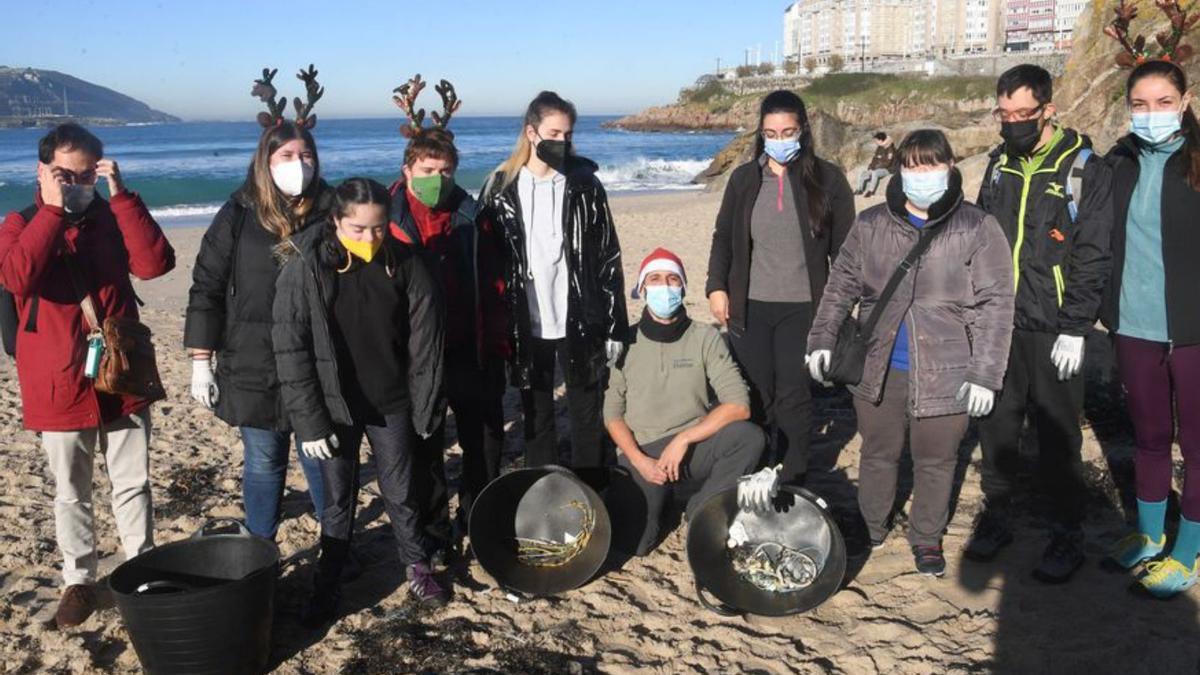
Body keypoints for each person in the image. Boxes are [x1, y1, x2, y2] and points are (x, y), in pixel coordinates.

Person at [807, 130, 1014, 577]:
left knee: (936, 461)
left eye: (933, 165)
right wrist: (821, 340)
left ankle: (926, 538)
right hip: (878, 367)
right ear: (899, 170)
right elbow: (840, 287)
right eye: (913, 166)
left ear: (951, 167)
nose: (923, 175)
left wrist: (986, 374)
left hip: (949, 370)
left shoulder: (978, 226)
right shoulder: (872, 224)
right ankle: (871, 527)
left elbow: (997, 304)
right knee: (878, 453)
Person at [0, 123, 175, 628]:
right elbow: (16, 277)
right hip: (56, 378)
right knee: (71, 490)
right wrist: (53, 210)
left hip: (122, 374)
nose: (76, 183)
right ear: (42, 171)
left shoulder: (112, 216)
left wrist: (121, 197)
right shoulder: (22, 221)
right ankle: (78, 580)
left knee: (132, 483)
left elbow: (155, 263)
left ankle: (140, 568)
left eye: (86, 175)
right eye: (64, 174)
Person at [272, 178, 447, 625]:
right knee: (337, 500)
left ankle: (418, 567)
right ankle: (327, 582)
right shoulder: (308, 267)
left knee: (402, 491)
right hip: (335, 408)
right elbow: (291, 348)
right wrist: (310, 424)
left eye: (378, 228)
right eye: (357, 229)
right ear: (335, 221)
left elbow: (427, 342)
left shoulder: (405, 263)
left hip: (392, 403)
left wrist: (425, 402)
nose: (369, 238)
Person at [966, 64, 1114, 583]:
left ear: (1049, 109)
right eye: (1003, 114)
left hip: (1055, 329)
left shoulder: (1083, 168)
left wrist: (1075, 327)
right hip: (1000, 324)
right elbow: (981, 237)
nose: (1012, 124)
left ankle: (1066, 533)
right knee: (998, 429)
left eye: (1023, 114)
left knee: (1057, 437)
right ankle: (998, 518)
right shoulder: (998, 164)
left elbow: (1094, 254)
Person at [184, 66, 331, 540]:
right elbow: (206, 285)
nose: (298, 163)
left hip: (316, 360)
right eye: (287, 154)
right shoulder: (237, 213)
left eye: (305, 154)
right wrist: (201, 362)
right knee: (264, 460)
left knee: (320, 458)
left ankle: (336, 536)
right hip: (251, 358)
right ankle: (260, 544)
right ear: (265, 160)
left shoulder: (333, 211)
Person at [705, 90, 856, 488]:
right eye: (771, 131)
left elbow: (845, 252)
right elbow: (723, 238)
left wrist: (836, 309)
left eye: (788, 130)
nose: (779, 138)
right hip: (749, 308)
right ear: (761, 132)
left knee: (793, 397)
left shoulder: (828, 180)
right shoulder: (743, 179)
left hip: (803, 307)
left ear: (803, 131)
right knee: (754, 396)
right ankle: (753, 472)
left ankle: (790, 476)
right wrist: (716, 287)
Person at [387, 75, 508, 557]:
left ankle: (476, 520)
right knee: (426, 451)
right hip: (416, 356)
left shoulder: (472, 215)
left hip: (471, 347)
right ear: (408, 168)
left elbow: (495, 283)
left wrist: (499, 345)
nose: (436, 177)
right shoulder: (388, 218)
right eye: (427, 167)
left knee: (484, 446)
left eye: (445, 169)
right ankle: (434, 535)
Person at [482, 91, 627, 470]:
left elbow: (608, 254)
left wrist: (615, 324)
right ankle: (541, 489)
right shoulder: (500, 189)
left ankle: (590, 488)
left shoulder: (584, 186)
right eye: (554, 132)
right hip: (526, 318)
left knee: (585, 409)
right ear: (531, 132)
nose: (562, 141)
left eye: (568, 134)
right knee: (537, 413)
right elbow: (488, 262)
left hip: (579, 312)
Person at [1102, 58, 1200, 598]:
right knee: (1150, 438)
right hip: (1134, 325)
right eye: (1140, 105)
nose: (1152, 114)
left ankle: (1187, 552)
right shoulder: (1119, 162)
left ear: (1184, 103)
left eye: (1164, 103)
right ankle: (1148, 536)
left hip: (1193, 330)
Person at [604, 248, 765, 555]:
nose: (664, 286)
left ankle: (702, 508)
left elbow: (738, 404)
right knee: (638, 545)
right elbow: (612, 413)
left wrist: (684, 439)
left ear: (683, 287)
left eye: (672, 279)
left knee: (749, 437)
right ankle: (658, 502)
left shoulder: (705, 337)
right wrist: (640, 460)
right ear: (641, 289)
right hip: (643, 452)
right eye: (654, 279)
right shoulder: (625, 341)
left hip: (692, 447)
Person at [854, 131, 897, 197]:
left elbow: (888, 163)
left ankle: (871, 191)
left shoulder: (890, 149)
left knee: (875, 173)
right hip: (876, 167)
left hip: (888, 169)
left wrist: (875, 168)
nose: (875, 142)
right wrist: (870, 167)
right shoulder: (880, 148)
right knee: (863, 173)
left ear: (880, 140)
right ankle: (859, 189)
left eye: (876, 140)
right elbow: (875, 158)